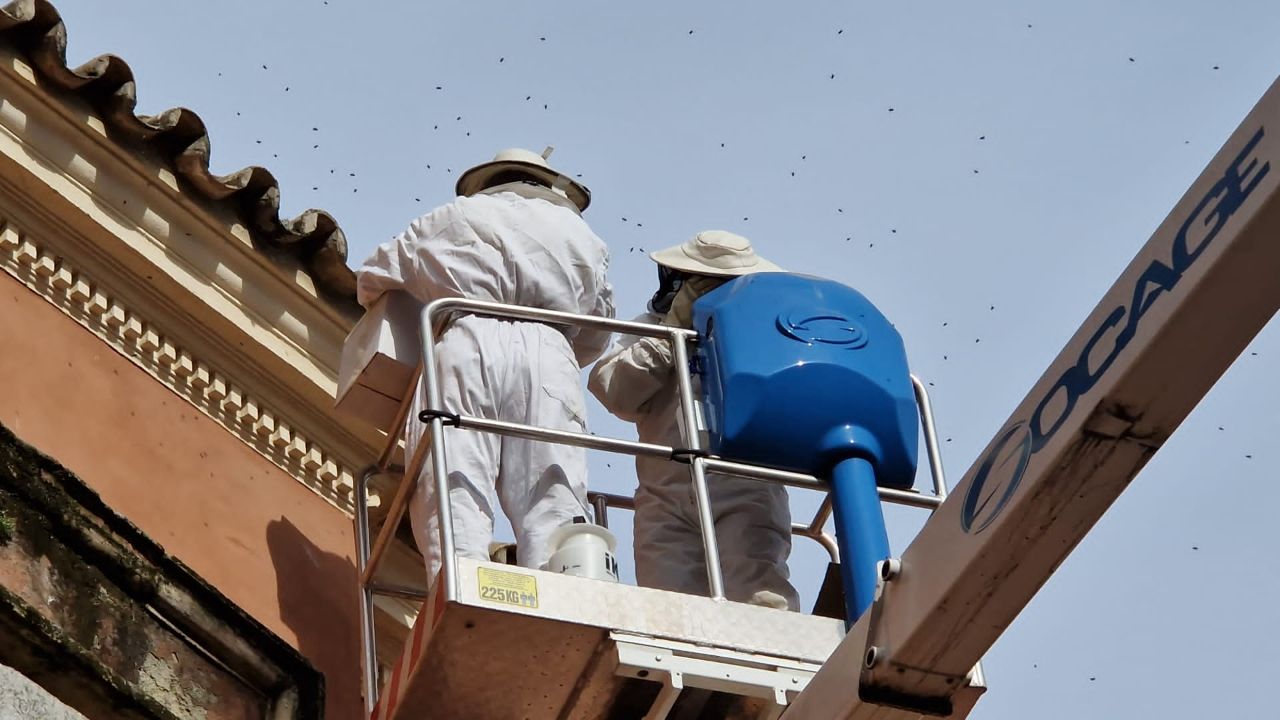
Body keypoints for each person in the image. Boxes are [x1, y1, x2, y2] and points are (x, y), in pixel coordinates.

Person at [356, 147, 615, 579]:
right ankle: (563, 585)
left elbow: (371, 276)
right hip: (551, 355)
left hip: (468, 340)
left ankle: (461, 580)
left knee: (455, 471)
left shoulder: (453, 216)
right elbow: (597, 332)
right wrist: (557, 349)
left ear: (490, 180)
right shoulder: (584, 237)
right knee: (551, 486)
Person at [588, 230, 799, 609]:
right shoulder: (652, 327)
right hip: (663, 496)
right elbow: (614, 392)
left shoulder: (767, 335)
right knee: (669, 613)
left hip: (745, 485)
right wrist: (670, 335)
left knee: (759, 602)